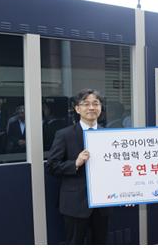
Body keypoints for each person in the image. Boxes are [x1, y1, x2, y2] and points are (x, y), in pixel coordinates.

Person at [47, 89, 110, 244]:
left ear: (101, 108)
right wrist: (75, 163)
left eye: (96, 103)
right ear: (77, 109)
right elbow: (52, 166)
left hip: (102, 204)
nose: (91, 107)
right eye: (86, 104)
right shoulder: (64, 134)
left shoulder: (109, 135)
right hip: (74, 204)